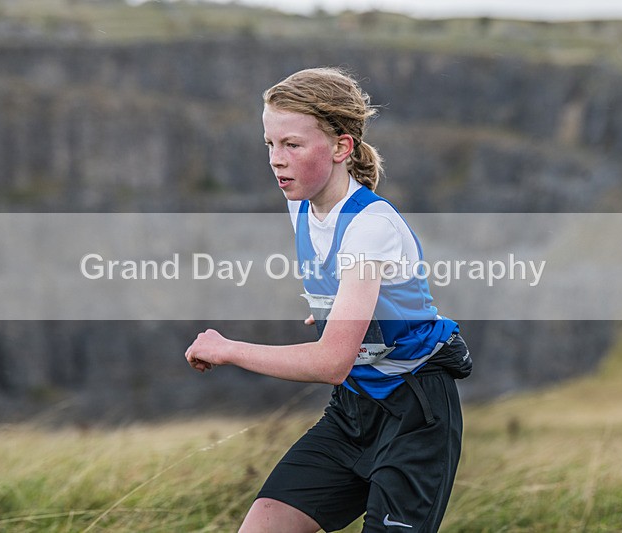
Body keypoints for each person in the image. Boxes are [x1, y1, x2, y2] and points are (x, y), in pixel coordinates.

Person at [185, 67, 472, 533]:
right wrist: (335, 310)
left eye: (292, 145)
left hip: (415, 414)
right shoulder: (299, 205)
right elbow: (354, 301)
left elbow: (332, 363)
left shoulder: (370, 226)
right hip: (353, 408)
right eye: (270, 144)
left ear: (342, 147)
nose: (276, 160)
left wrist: (227, 349)